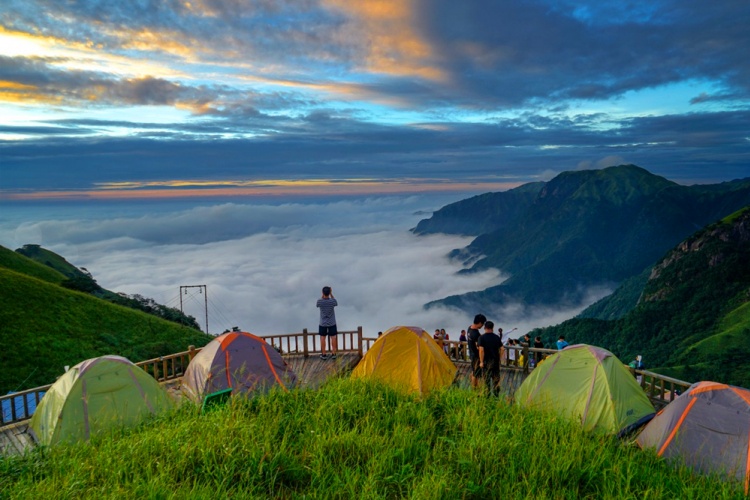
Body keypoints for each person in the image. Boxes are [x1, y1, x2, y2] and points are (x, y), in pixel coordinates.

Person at [478, 320, 504, 396]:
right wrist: (499, 357)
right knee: (496, 380)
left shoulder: (481, 338)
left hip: (486, 362)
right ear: (492, 328)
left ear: (484, 328)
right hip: (495, 361)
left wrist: (481, 361)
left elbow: (481, 350)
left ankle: (487, 395)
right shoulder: (496, 337)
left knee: (486, 380)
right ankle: (496, 396)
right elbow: (502, 349)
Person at [317, 286, 338, 360]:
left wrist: (323, 295)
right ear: (329, 293)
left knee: (322, 338)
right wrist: (331, 294)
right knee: (333, 337)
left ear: (322, 293)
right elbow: (335, 302)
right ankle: (334, 353)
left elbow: (318, 304)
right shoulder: (332, 301)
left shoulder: (319, 301)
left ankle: (324, 354)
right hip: (332, 322)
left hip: (323, 323)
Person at [467, 314, 486, 389]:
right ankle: (474, 388)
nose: (483, 326)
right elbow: (479, 348)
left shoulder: (469, 328)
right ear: (480, 323)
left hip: (471, 353)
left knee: (473, 370)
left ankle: (472, 383)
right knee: (476, 373)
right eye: (483, 323)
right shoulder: (476, 334)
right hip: (476, 355)